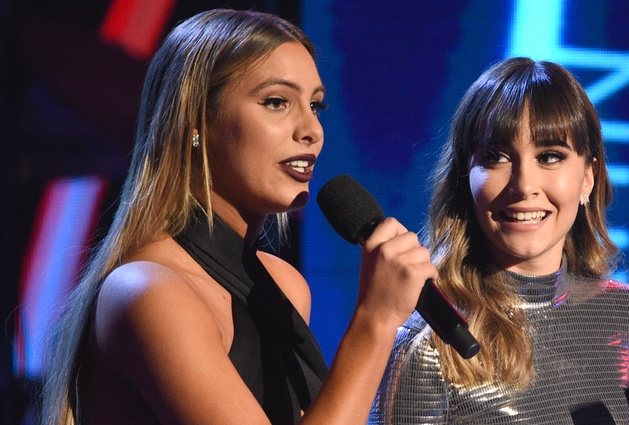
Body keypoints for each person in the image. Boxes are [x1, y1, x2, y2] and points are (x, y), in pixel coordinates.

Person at [41, 9, 435, 425]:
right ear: (195, 120)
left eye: (315, 105)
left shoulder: (284, 285)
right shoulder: (147, 291)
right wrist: (375, 320)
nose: (312, 130)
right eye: (277, 102)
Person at [369, 58, 629, 424]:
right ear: (465, 178)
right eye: (496, 157)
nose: (524, 185)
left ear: (588, 177)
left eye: (550, 156)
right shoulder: (430, 339)